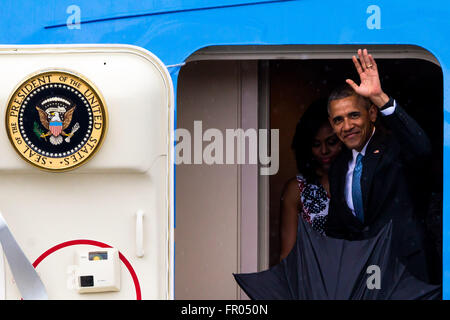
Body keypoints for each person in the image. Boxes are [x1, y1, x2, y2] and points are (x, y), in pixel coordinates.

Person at [325, 49, 432, 282]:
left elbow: (422, 149)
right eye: (338, 120)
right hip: (362, 276)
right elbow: (337, 228)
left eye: (354, 115)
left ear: (372, 113)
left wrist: (380, 96)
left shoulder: (395, 148)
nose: (347, 126)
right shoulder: (338, 166)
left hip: (404, 271)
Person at [280, 100, 342, 261]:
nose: (324, 150)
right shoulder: (297, 189)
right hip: (315, 280)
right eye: (316, 144)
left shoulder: (360, 179)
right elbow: (288, 254)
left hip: (360, 275)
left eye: (331, 142)